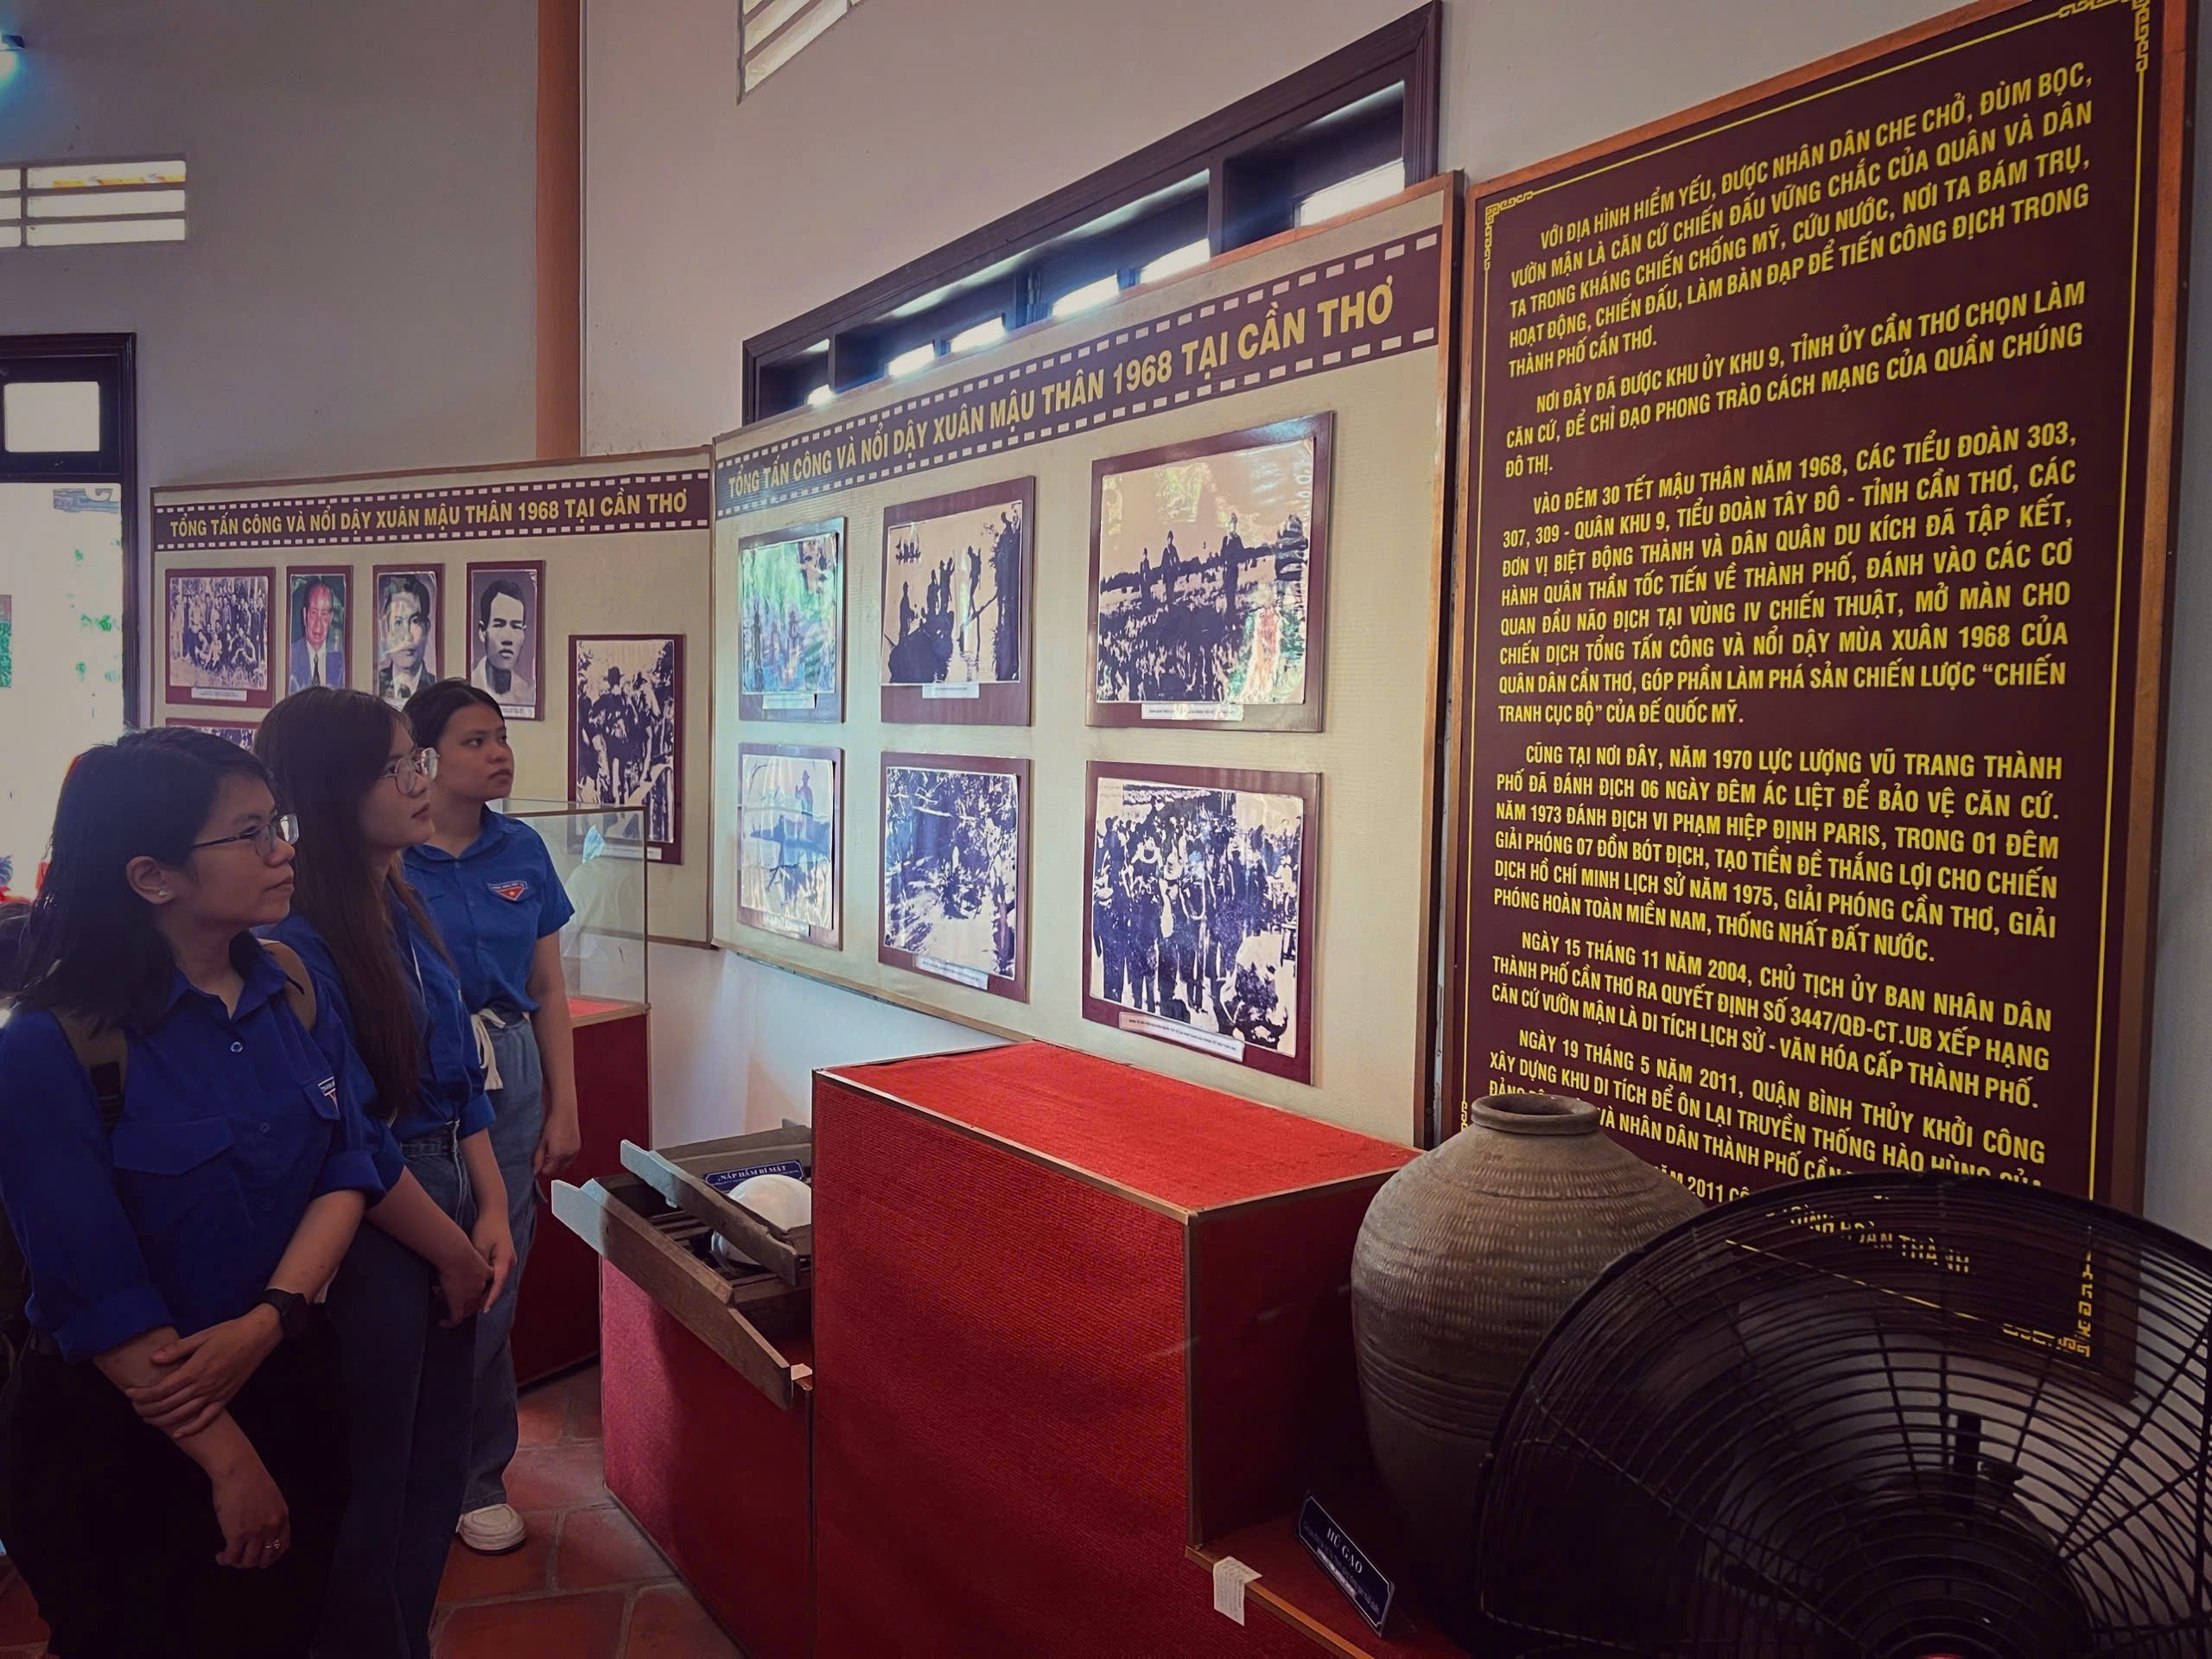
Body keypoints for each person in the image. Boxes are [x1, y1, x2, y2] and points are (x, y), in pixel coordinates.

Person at [0, 729, 392, 1657]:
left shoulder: (292, 985)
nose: (283, 850)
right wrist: (229, 1462)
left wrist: (270, 1320)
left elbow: (349, 1162)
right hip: (133, 1428)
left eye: (277, 823)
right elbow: (95, 1292)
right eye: (249, 833)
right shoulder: (49, 1048)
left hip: (287, 1377)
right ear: (152, 877)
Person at [255, 688, 509, 1659]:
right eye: (398, 766)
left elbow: (455, 1073)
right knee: (374, 1478)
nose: (420, 781)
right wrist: (452, 1248)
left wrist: (493, 1205)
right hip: (382, 1221)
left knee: (433, 1469)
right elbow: (353, 1134)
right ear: (332, 792)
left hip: (448, 1195)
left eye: (417, 760)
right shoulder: (299, 940)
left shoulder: (397, 897)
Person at [401, 681, 579, 1556]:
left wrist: (564, 1104)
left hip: (510, 1069)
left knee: (495, 1274)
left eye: (501, 737)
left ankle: (477, 1478)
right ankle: (406, 1471)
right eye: (475, 740)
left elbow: (548, 986)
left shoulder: (524, 849)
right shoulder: (392, 855)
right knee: (416, 1272)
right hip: (415, 1069)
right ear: (426, 758)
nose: (498, 753)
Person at [468, 580, 535, 715]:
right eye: (499, 625)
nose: (507, 639)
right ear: (482, 631)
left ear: (524, 634)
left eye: (516, 626)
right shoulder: (469, 689)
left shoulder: (526, 694)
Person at [376, 575, 435, 709]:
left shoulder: (437, 690)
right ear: (385, 630)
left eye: (415, 621)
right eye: (398, 622)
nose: (407, 636)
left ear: (427, 628)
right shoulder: (376, 684)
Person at [290, 580, 344, 693]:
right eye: (314, 613)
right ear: (305, 615)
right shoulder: (290, 656)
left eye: (324, 614)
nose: (318, 624)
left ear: (330, 619)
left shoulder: (341, 661)